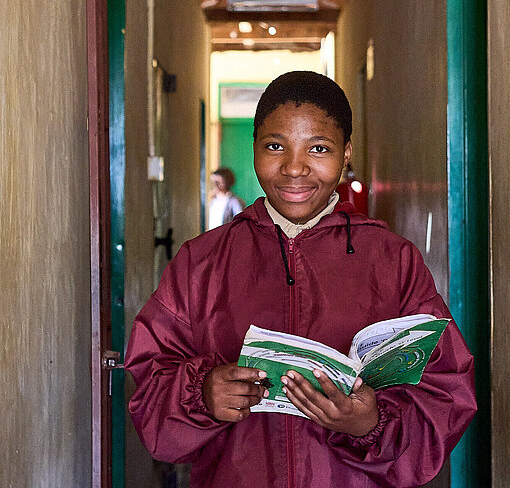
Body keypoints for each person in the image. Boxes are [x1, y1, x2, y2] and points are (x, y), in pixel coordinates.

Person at [124, 71, 476, 488]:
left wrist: (370, 423)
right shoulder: (200, 262)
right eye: (275, 146)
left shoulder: (392, 260)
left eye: (319, 148)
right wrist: (202, 394)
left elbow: (446, 393)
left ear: (346, 154)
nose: (294, 168)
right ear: (255, 147)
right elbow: (149, 387)